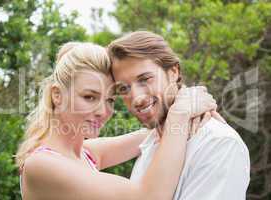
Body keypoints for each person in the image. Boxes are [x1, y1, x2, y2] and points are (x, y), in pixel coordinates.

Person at [15, 42, 217, 200]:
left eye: (110, 100)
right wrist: (180, 113)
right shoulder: (41, 165)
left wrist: (190, 104)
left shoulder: (87, 154)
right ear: (57, 95)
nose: (103, 111)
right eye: (89, 97)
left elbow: (155, 133)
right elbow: (149, 197)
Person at [107, 31, 251, 200]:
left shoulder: (217, 142)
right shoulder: (151, 143)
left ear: (173, 72)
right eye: (123, 89)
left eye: (145, 79)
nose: (137, 98)